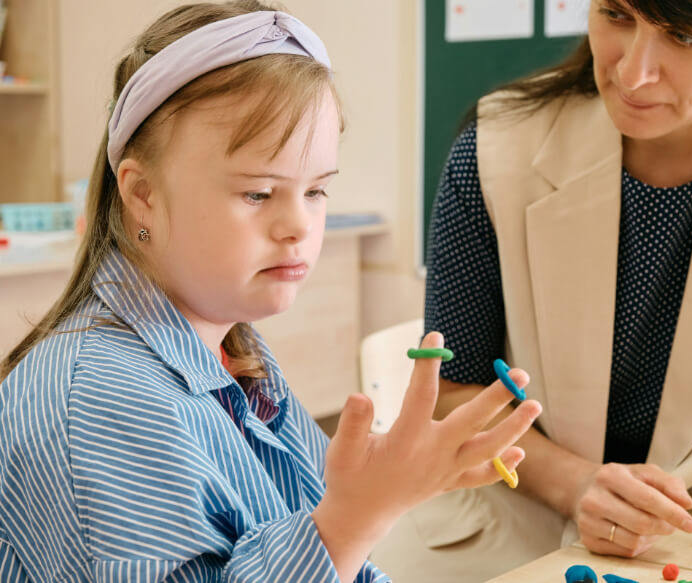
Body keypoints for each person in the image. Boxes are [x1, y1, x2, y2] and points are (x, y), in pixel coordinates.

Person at [0, 3, 543, 581]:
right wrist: (358, 515)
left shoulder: (231, 347)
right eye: (258, 193)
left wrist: (370, 498)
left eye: (315, 191)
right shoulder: (103, 404)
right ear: (143, 195)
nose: (300, 227)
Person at [370, 0, 692, 580]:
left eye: (682, 34)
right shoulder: (496, 149)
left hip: (679, 538)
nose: (632, 72)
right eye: (617, 14)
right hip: (499, 516)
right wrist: (577, 485)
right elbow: (452, 395)